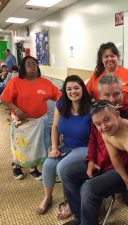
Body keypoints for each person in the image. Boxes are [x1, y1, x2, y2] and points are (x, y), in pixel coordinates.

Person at [61, 75, 128, 225]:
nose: (112, 99)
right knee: (67, 172)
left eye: (116, 94)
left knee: (89, 189)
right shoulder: (98, 115)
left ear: (122, 94)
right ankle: (81, 218)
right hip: (104, 163)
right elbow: (94, 139)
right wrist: (91, 159)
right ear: (100, 96)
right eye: (107, 95)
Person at [36, 75, 91, 216]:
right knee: (48, 164)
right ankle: (48, 198)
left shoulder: (91, 108)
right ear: (65, 91)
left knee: (62, 167)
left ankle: (71, 204)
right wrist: (54, 148)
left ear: (83, 89)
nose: (73, 91)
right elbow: (54, 127)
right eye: (69, 89)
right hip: (66, 145)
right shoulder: (62, 105)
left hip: (85, 148)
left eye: (76, 88)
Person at [0, 56, 61, 179]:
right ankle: (16, 166)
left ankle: (33, 167)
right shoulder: (16, 82)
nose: (32, 66)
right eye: (28, 64)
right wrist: (17, 110)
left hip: (40, 122)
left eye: (34, 64)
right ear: (23, 67)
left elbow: (58, 95)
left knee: (37, 146)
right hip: (23, 122)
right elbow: (4, 99)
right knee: (22, 146)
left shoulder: (45, 83)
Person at [86, 42, 128, 107]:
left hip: (125, 115)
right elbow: (86, 96)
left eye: (112, 56)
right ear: (102, 59)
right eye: (106, 56)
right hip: (103, 115)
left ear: (117, 57)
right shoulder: (96, 75)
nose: (109, 59)